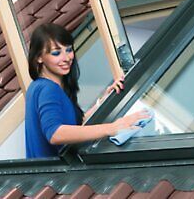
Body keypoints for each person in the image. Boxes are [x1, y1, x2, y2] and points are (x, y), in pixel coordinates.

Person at [25, 23, 148, 158]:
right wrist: (111, 128)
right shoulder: (48, 89)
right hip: (55, 177)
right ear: (39, 57)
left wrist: (103, 101)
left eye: (69, 50)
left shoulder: (39, 87)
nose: (66, 58)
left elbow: (75, 125)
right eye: (56, 53)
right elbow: (55, 133)